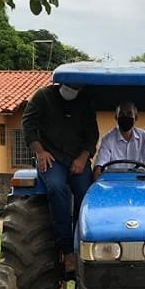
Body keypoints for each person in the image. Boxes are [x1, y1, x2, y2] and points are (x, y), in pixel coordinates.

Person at [22, 82, 99, 273]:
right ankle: (67, 251)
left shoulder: (85, 102)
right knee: (56, 188)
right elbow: (28, 126)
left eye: (77, 86)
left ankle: (84, 244)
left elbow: (92, 135)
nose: (74, 88)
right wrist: (40, 152)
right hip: (51, 157)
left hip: (77, 159)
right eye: (71, 84)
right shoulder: (42, 97)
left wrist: (83, 158)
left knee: (87, 193)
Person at [93, 101, 145, 177]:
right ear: (116, 117)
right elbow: (99, 166)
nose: (125, 116)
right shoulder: (107, 139)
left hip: (138, 181)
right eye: (122, 114)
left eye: (129, 114)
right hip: (114, 181)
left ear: (136, 117)